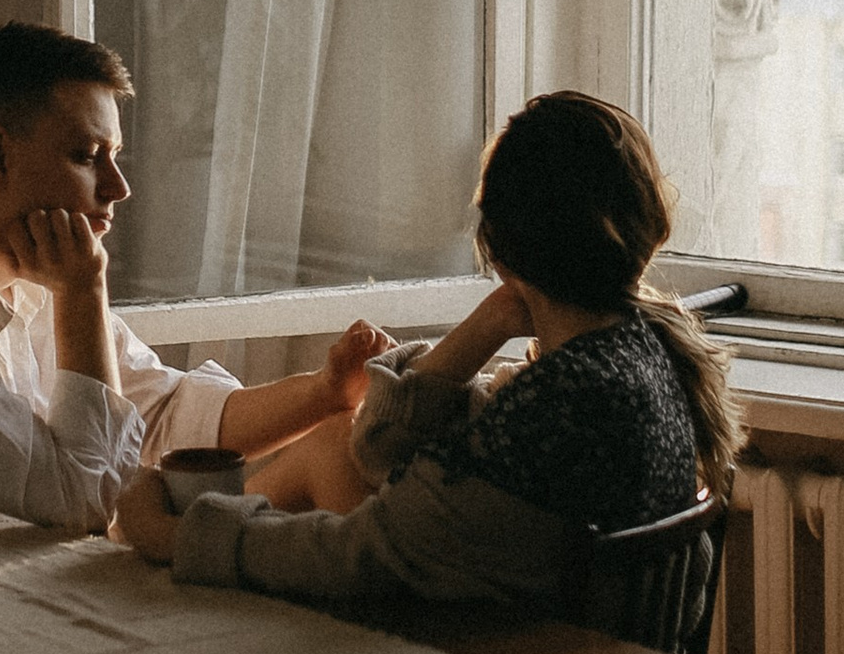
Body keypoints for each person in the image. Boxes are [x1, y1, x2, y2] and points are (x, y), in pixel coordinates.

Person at [0, 21, 393, 537]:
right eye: (88, 157)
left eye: (115, 158)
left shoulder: (30, 272)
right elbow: (91, 498)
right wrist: (83, 294)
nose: (118, 188)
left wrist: (327, 392)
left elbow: (159, 416)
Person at [113, 90, 739, 608]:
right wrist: (489, 324)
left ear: (501, 247)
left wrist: (174, 535)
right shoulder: (635, 357)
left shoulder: (557, 408)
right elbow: (379, 449)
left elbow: (358, 556)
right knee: (333, 444)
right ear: (648, 225)